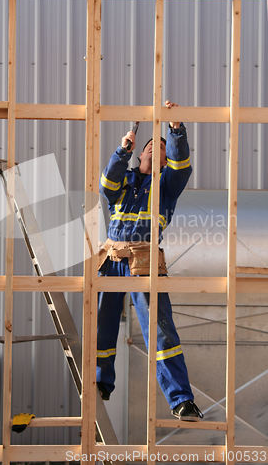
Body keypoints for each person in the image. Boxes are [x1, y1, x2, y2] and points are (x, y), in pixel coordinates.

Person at [97, 101, 203, 421]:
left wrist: (175, 129)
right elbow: (106, 185)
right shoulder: (124, 181)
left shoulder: (167, 185)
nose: (156, 151)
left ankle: (180, 399)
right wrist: (122, 149)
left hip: (143, 261)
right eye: (150, 147)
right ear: (141, 155)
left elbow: (182, 164)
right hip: (111, 257)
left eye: (163, 150)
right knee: (102, 323)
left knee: (160, 330)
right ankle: (101, 381)